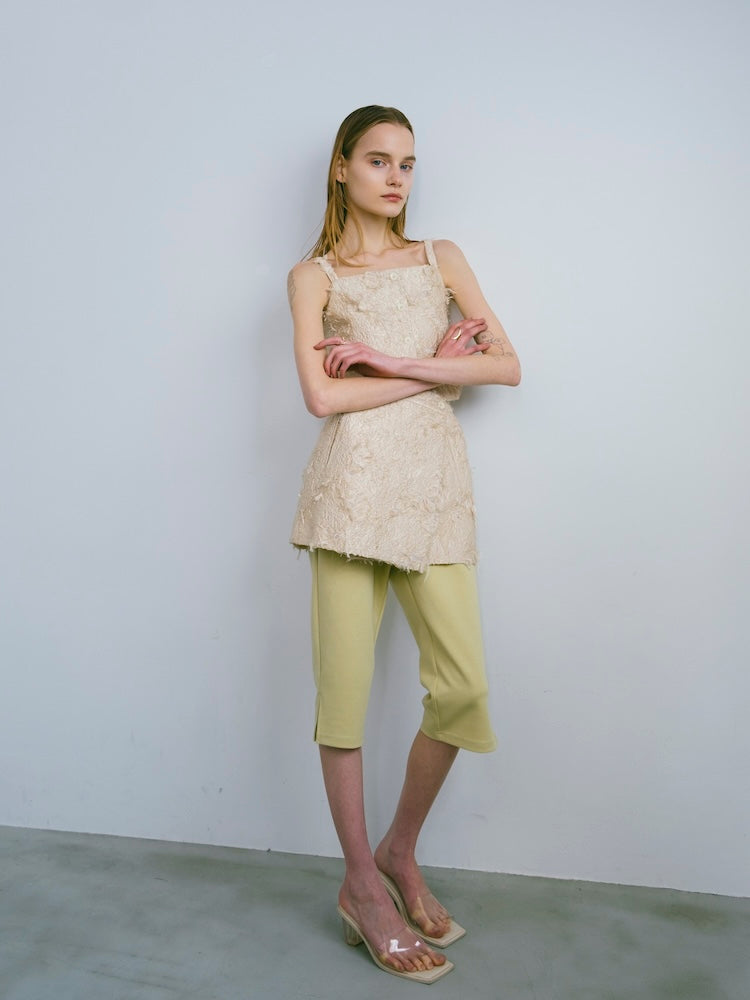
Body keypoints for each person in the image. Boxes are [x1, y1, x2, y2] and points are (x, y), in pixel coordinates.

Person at [287, 105, 521, 983]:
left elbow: (506, 365)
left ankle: (399, 848)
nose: (397, 178)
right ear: (342, 167)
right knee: (344, 698)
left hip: (433, 495)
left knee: (462, 688)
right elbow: (322, 399)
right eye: (379, 161)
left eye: (409, 164)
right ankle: (362, 885)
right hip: (350, 493)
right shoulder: (311, 277)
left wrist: (391, 362)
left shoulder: (440, 258)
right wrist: (437, 371)